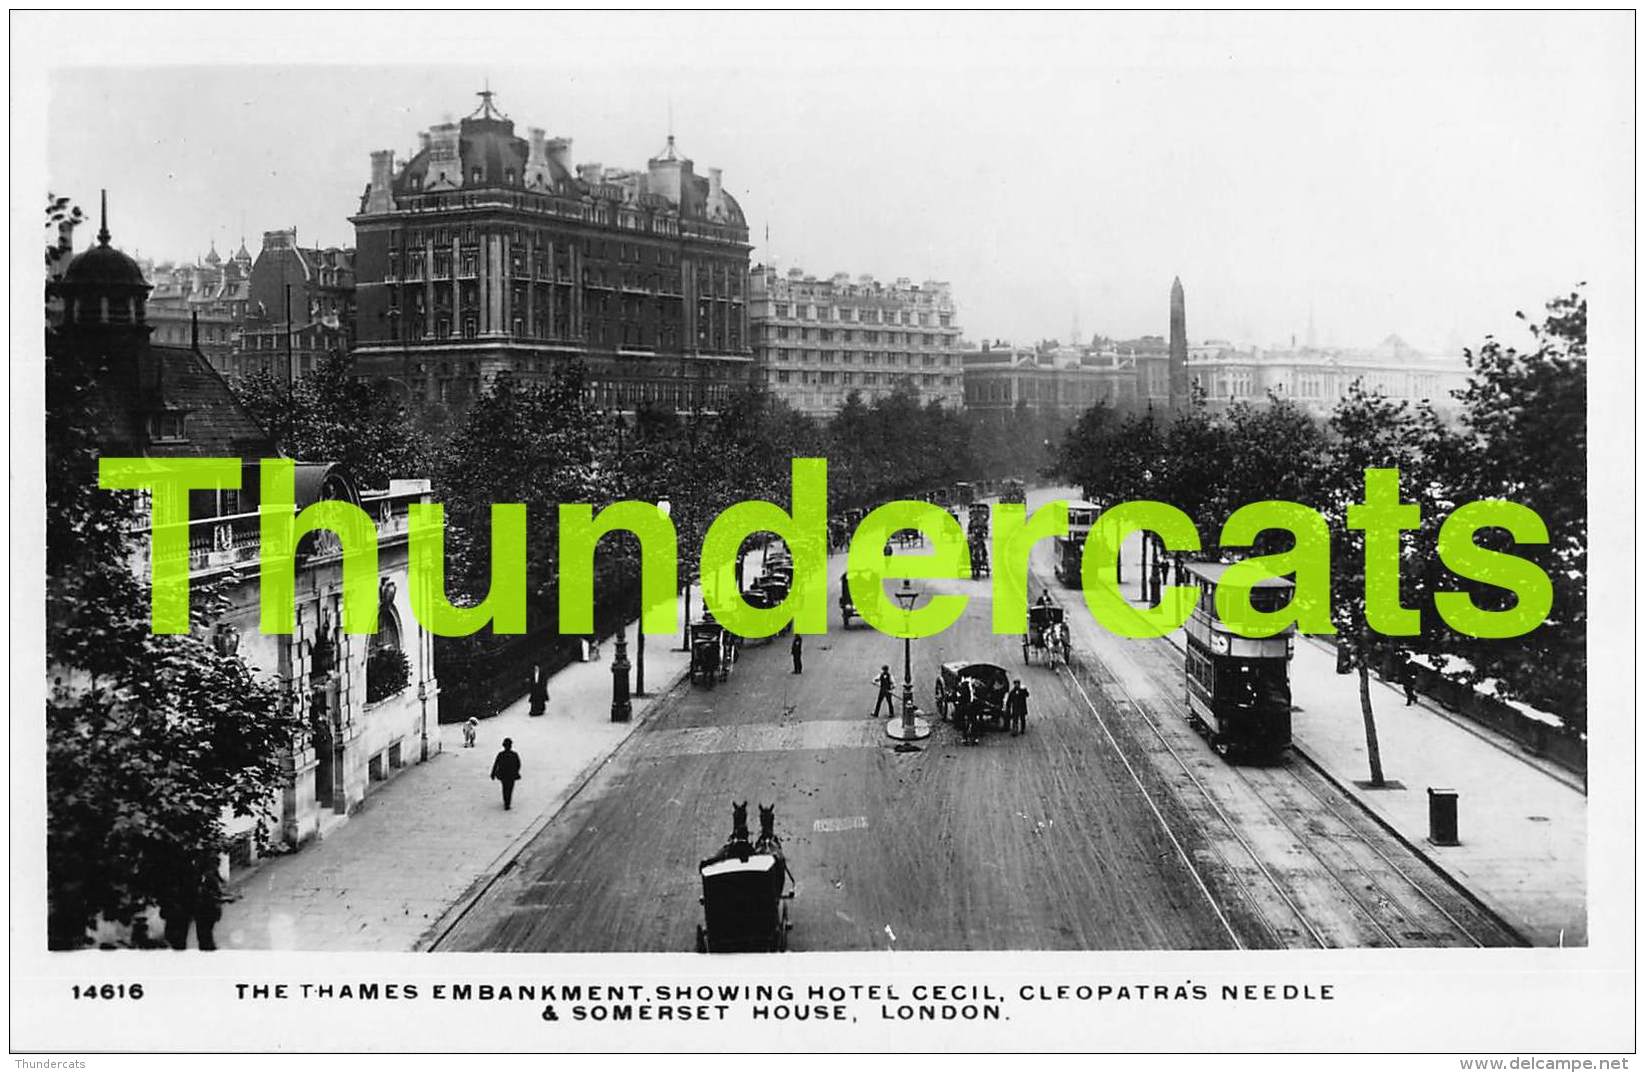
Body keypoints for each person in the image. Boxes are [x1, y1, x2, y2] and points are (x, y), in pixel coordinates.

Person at [490, 737, 522, 810]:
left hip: (503, 774)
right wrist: (516, 771)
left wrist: (493, 773)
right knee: (510, 788)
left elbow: (496, 764)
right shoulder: (514, 754)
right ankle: (508, 803)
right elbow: (518, 764)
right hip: (511, 775)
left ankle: (506, 802)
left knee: (504, 788)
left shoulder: (501, 754)